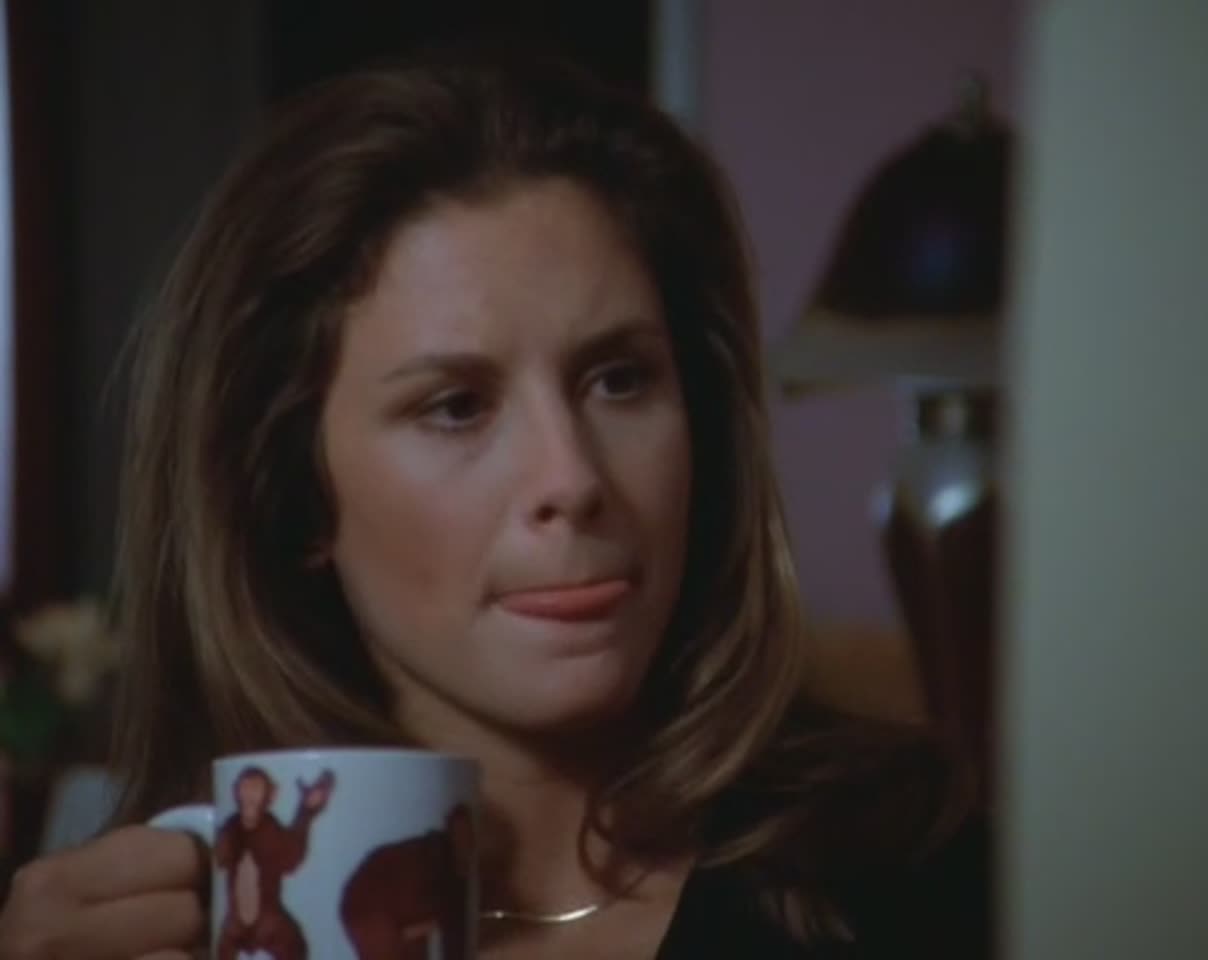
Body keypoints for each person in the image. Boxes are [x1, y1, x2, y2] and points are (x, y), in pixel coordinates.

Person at [0, 52, 988, 958]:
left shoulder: (909, 870)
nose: (573, 479)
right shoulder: (175, 922)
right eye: (456, 406)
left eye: (619, 379)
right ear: (293, 498)